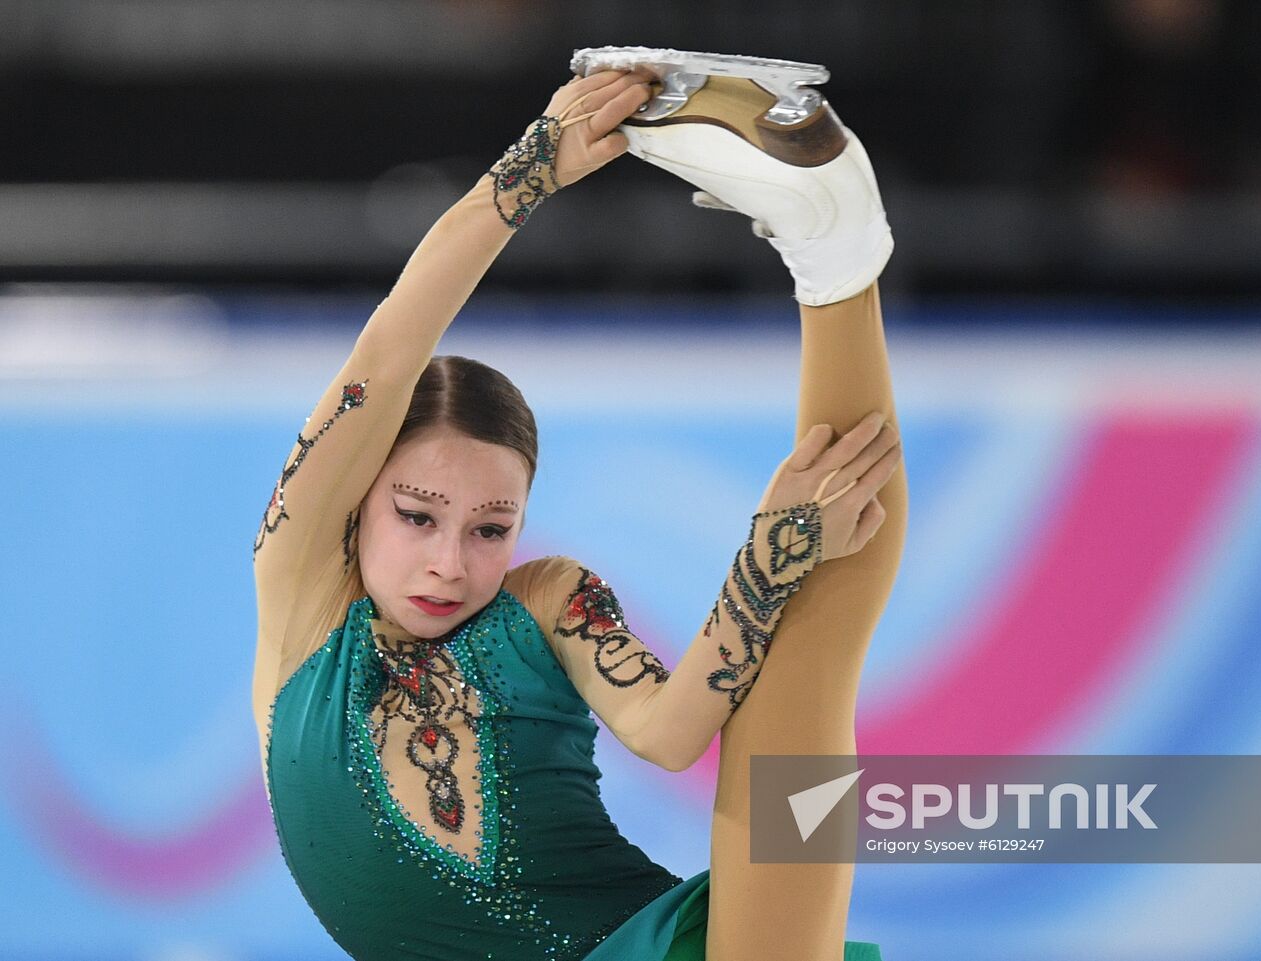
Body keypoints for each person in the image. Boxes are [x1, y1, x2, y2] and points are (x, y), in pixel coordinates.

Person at [251, 53, 906, 961]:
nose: (450, 559)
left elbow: (675, 732)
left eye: (491, 527)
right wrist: (530, 170)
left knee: (816, 594)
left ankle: (836, 259)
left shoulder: (545, 602)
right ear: (357, 503)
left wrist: (769, 555)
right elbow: (386, 354)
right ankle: (835, 249)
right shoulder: (300, 605)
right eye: (417, 515)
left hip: (659, 949)